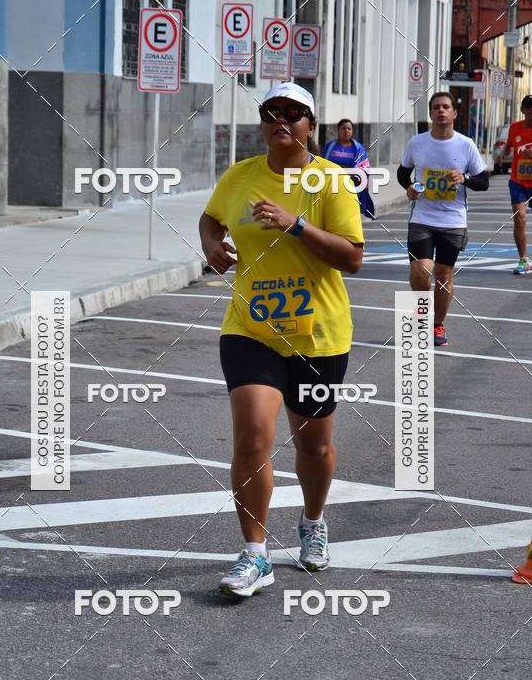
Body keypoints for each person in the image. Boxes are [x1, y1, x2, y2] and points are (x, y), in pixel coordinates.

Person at [198, 81, 364, 597]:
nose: (282, 120)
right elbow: (211, 217)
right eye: (272, 112)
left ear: (311, 126)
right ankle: (254, 555)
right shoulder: (241, 177)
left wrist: (295, 226)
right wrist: (210, 243)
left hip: (319, 336)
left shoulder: (331, 182)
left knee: (314, 446)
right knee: (252, 437)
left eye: (294, 113)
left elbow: (352, 257)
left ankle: (313, 521)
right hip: (251, 330)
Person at [397, 91, 489, 347]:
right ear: (430, 113)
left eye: (446, 107)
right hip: (422, 217)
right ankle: (420, 314)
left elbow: (483, 182)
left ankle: (437, 325)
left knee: (443, 274)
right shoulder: (417, 142)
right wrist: (409, 188)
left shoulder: (466, 145)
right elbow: (403, 173)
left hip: (453, 220)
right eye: (436, 107)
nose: (441, 111)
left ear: (454, 113)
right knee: (421, 270)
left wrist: (465, 179)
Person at [497, 94, 532, 275]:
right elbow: (509, 145)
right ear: (523, 110)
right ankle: (524, 259)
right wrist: (502, 154)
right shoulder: (514, 128)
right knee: (520, 219)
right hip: (517, 181)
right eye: (529, 107)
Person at [323, 119, 376, 219]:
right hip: (332, 185)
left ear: (352, 131)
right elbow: (322, 164)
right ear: (338, 130)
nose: (346, 131)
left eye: (349, 129)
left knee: (348, 213)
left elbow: (364, 167)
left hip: (351, 186)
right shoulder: (330, 146)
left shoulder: (358, 148)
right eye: (343, 128)